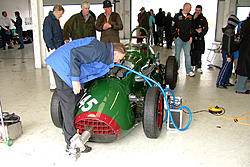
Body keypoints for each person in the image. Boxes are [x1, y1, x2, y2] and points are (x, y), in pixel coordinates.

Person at [45, 37, 127, 153]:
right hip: (63, 66)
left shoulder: (104, 53)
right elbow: (75, 55)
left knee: (79, 95)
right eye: (119, 58)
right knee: (68, 103)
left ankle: (68, 128)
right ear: (114, 53)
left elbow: (93, 67)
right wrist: (75, 80)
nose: (118, 61)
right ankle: (71, 143)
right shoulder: (99, 50)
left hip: (67, 65)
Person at [43, 4, 65, 90]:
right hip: (53, 48)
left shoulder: (55, 20)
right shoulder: (48, 20)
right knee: (52, 66)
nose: (61, 15)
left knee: (58, 66)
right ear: (56, 11)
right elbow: (47, 35)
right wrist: (51, 48)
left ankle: (58, 84)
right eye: (61, 13)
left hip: (58, 47)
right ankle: (53, 85)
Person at [216, 14, 240, 89]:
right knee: (225, 67)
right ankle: (219, 82)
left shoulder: (229, 30)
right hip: (227, 52)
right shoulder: (229, 31)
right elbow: (228, 44)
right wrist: (229, 55)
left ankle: (225, 81)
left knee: (229, 68)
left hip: (229, 51)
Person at [172, 3, 194, 77]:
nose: (189, 9)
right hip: (179, 39)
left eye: (190, 8)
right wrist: (175, 35)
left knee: (188, 55)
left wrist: (191, 37)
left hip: (187, 40)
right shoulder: (177, 16)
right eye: (188, 7)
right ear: (184, 7)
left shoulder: (190, 17)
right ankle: (175, 70)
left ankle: (189, 71)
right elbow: (172, 26)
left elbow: (192, 28)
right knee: (177, 55)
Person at [234, 13, 250, 94]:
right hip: (247, 49)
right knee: (245, 69)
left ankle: (240, 87)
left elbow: (239, 37)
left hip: (244, 48)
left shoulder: (244, 23)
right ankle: (240, 88)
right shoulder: (246, 24)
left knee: (244, 68)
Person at [190, 5, 208, 74]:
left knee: (199, 53)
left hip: (200, 39)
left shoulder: (203, 19)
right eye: (196, 10)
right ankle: (192, 65)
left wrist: (201, 32)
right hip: (193, 39)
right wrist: (195, 31)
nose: (198, 12)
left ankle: (199, 66)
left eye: (199, 10)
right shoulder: (192, 18)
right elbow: (190, 27)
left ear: (201, 11)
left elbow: (206, 28)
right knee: (192, 53)